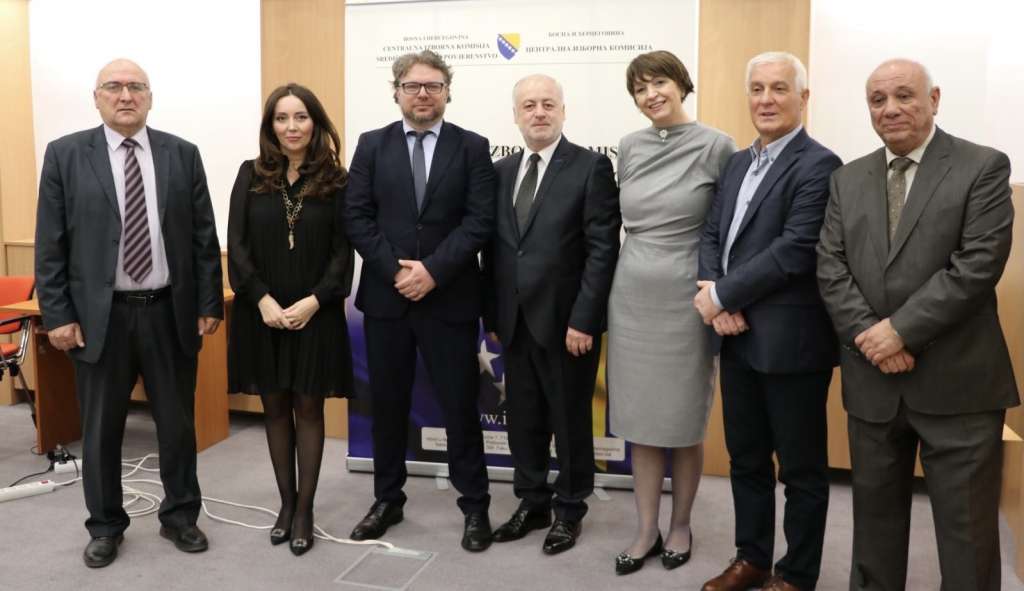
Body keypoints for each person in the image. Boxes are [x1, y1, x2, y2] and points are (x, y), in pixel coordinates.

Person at [817, 58, 1019, 591]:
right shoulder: (846, 179)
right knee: (874, 531)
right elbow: (830, 267)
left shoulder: (983, 166)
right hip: (872, 382)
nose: (890, 109)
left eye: (904, 95)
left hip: (959, 384)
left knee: (967, 538)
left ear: (934, 99)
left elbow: (976, 266)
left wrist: (899, 331)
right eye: (877, 100)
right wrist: (873, 338)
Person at [34, 59, 224, 568]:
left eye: (136, 87)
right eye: (114, 87)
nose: (125, 95)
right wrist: (58, 315)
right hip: (101, 319)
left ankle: (180, 517)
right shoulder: (66, 155)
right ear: (96, 97)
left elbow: (203, 237)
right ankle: (105, 526)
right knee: (100, 431)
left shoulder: (182, 154)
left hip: (168, 313)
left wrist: (209, 301)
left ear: (149, 97)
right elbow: (50, 244)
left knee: (177, 426)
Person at [695, 52, 841, 591]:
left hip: (791, 343)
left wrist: (722, 296)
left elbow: (795, 249)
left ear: (803, 97)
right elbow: (712, 234)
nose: (766, 99)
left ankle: (796, 574)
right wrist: (715, 294)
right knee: (747, 459)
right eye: (757, 88)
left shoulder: (820, 164)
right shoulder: (737, 162)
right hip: (735, 338)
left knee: (801, 470)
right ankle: (751, 558)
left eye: (779, 88)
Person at [343, 50, 497, 552]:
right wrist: (396, 271)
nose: (423, 94)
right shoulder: (372, 145)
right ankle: (387, 500)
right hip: (387, 301)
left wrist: (432, 271)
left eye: (433, 85)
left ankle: (475, 506)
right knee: (388, 406)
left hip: (449, 299)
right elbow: (357, 216)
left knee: (460, 407)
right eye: (413, 86)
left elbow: (479, 221)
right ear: (397, 92)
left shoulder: (472, 147)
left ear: (448, 92)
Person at [607, 50, 736, 575]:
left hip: (688, 301)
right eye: (639, 88)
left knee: (682, 421)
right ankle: (645, 529)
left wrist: (722, 294)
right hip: (631, 298)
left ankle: (680, 524)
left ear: (681, 84)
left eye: (658, 82)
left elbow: (727, 228)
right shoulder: (629, 146)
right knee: (641, 422)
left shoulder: (717, 145)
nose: (650, 94)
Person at [481, 74, 620, 555]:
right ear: (515, 116)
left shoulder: (591, 167)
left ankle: (570, 509)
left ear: (563, 111)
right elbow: (494, 252)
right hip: (514, 321)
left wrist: (585, 319)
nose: (538, 112)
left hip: (567, 325)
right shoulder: (500, 172)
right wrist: (493, 315)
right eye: (528, 105)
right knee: (524, 419)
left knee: (570, 420)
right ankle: (533, 501)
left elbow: (602, 250)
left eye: (547, 104)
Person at [226, 83, 354, 556]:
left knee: (309, 409)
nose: (291, 127)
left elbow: (343, 254)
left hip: (315, 314)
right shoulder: (250, 174)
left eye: (301, 117)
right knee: (275, 408)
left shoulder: (337, 181)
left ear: (315, 123)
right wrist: (260, 299)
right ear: (270, 126)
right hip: (262, 313)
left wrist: (314, 301)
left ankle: (305, 510)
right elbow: (237, 244)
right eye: (282, 118)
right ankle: (284, 503)